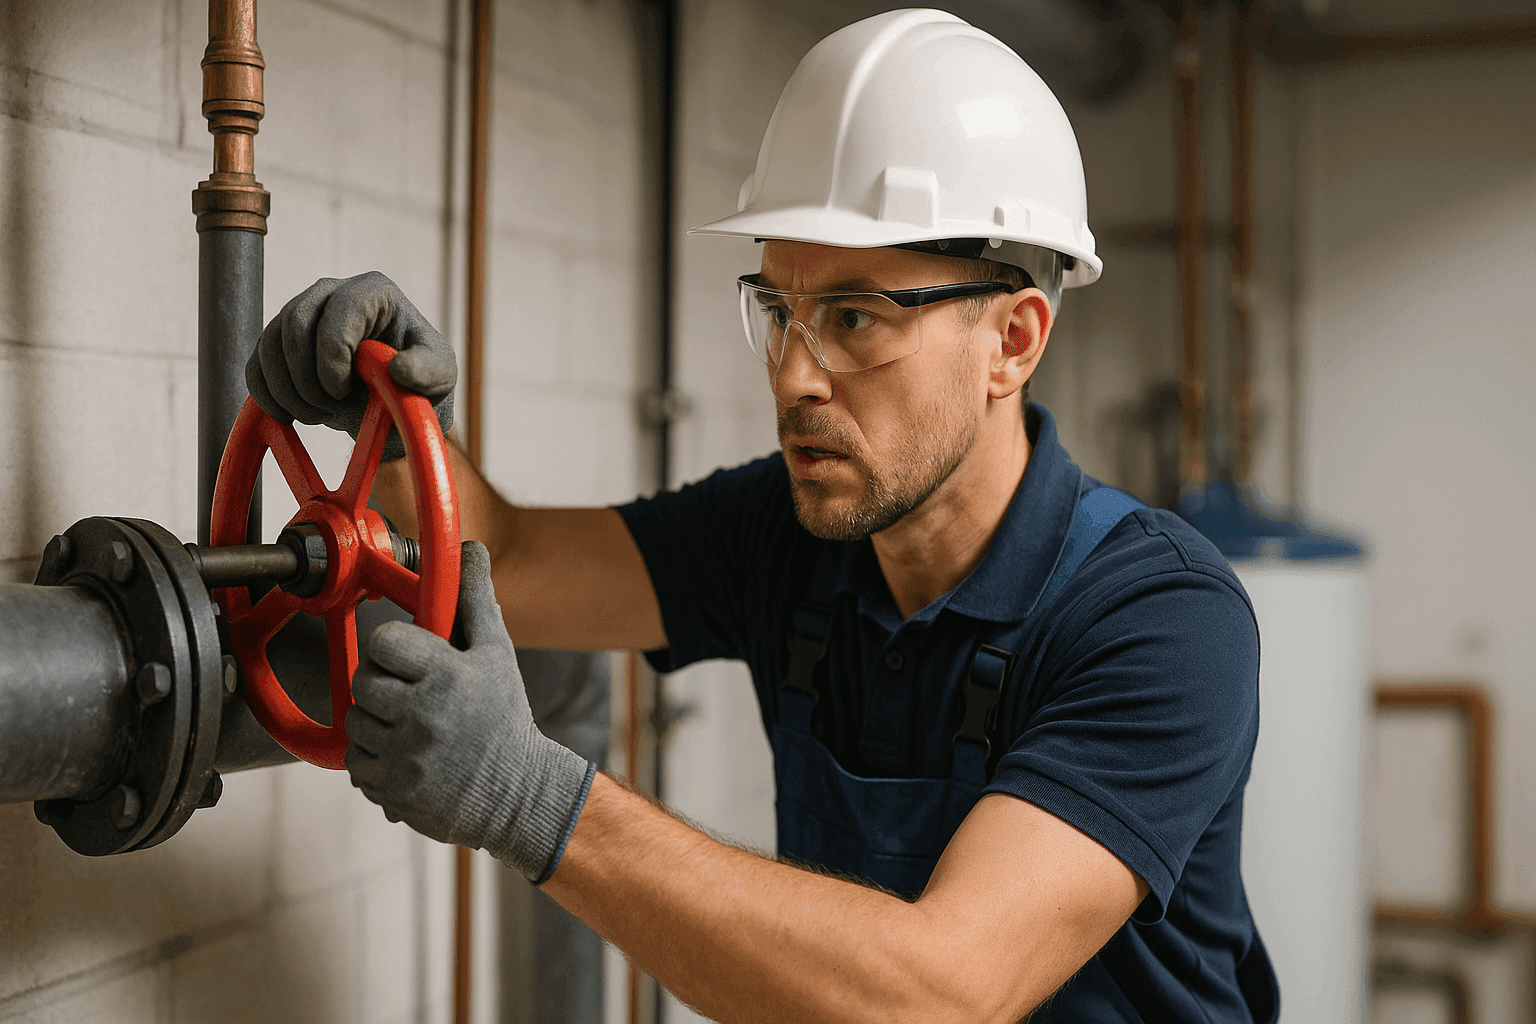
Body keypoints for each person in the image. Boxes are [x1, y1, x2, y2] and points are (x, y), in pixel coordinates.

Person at [248, 10, 1279, 1022]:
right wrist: (390, 424)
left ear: (1012, 340)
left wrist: (531, 799)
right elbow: (506, 559)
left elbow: (944, 992)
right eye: (779, 309)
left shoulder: (1160, 618)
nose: (793, 376)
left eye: (855, 318)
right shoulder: (788, 532)